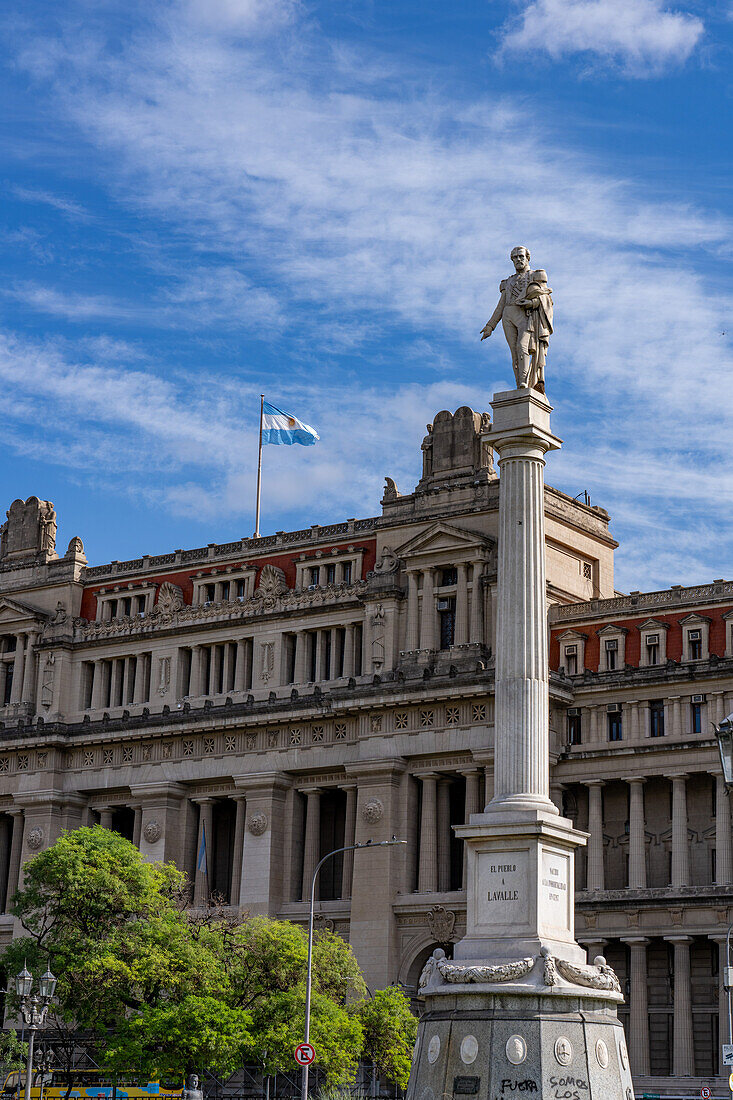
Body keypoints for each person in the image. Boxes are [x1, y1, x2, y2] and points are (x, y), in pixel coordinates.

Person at [480, 246, 553, 392]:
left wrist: (531, 303)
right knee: (514, 352)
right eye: (515, 257)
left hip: (525, 314)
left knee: (522, 346)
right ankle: (519, 382)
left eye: (521, 256)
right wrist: (490, 325)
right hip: (508, 315)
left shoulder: (535, 275)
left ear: (527, 258)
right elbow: (501, 304)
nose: (518, 260)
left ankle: (524, 382)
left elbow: (545, 299)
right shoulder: (508, 281)